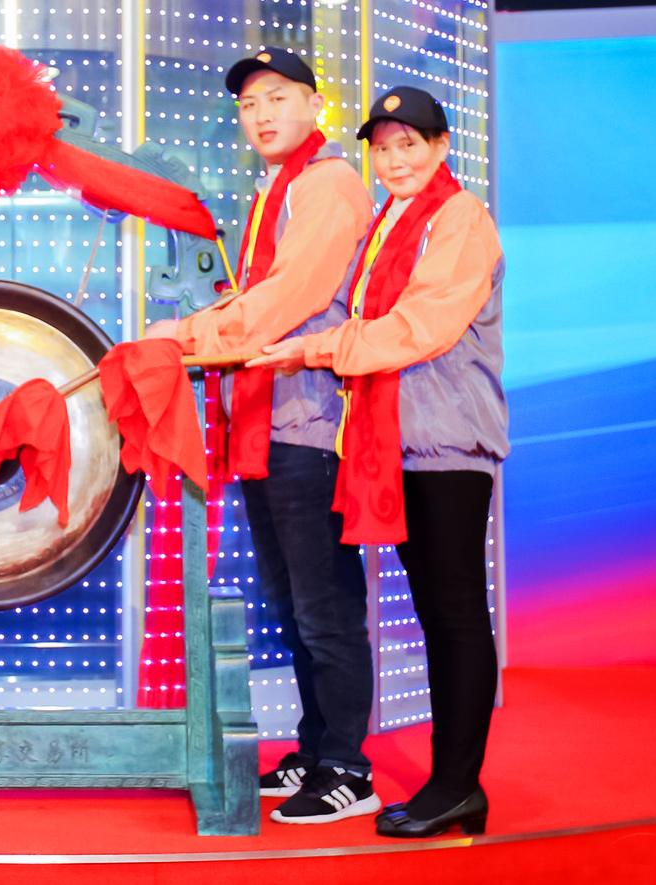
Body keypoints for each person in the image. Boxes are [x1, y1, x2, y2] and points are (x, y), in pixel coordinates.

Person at [248, 85, 507, 838]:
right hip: (395, 444)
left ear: (441, 147)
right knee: (436, 615)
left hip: (448, 445)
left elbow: (419, 326)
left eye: (409, 146)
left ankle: (456, 785)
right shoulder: (391, 219)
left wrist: (313, 349)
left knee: (455, 615)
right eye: (384, 148)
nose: (395, 161)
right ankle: (448, 781)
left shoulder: (461, 218)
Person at [146, 48, 379, 824]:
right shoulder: (277, 191)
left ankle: (349, 766)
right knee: (292, 603)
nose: (262, 115)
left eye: (278, 98)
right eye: (249, 105)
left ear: (314, 105)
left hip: (310, 424)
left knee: (325, 606)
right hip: (264, 422)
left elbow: (291, 295)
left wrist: (185, 334)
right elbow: (261, 295)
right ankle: (316, 747)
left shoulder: (329, 184)